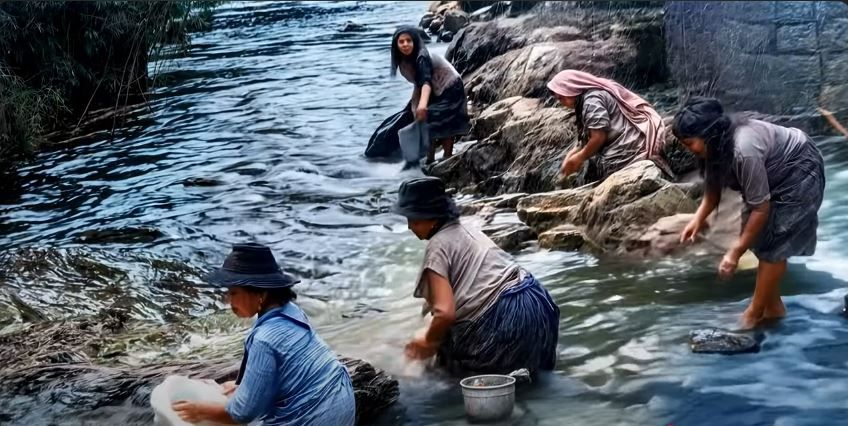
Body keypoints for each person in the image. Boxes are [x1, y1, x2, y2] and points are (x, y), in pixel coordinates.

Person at [673, 97, 826, 328]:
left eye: (689, 142)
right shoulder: (716, 145)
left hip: (799, 168)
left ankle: (754, 313)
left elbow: (761, 209)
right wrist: (698, 218)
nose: (687, 148)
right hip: (771, 173)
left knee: (776, 245)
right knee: (759, 239)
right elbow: (713, 185)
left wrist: (734, 252)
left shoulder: (743, 148)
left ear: (709, 134)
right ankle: (772, 308)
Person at [171, 243, 356, 425]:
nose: (228, 300)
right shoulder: (292, 312)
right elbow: (286, 373)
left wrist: (200, 411)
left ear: (261, 294)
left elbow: (242, 414)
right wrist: (241, 388)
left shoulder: (264, 340)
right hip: (342, 404)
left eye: (234, 292)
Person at [393, 176, 560, 375]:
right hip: (539, 303)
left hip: (502, 318)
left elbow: (445, 313)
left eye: (413, 219)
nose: (410, 226)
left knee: (447, 360)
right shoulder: (467, 230)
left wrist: (427, 342)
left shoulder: (437, 247)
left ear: (431, 216)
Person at [546, 69, 672, 181]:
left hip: (628, 151)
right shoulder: (587, 98)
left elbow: (598, 137)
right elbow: (587, 137)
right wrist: (570, 155)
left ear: (571, 88)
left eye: (561, 98)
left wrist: (579, 157)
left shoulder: (592, 101)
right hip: (625, 142)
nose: (561, 103)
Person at [391, 26, 470, 164]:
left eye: (408, 40)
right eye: (401, 41)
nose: (405, 44)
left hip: (450, 87)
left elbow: (426, 82)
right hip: (434, 88)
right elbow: (419, 83)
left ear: (415, 41)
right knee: (424, 119)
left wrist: (422, 105)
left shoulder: (421, 57)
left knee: (444, 122)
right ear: (396, 45)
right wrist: (415, 106)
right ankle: (430, 159)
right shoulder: (403, 61)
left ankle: (447, 158)